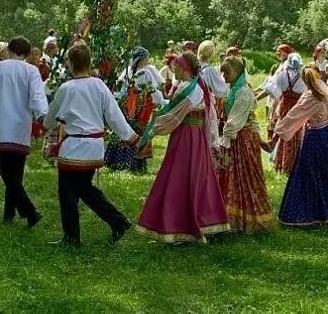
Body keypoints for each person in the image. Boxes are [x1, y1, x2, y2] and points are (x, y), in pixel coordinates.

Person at [45, 42, 139, 247]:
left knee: (67, 192)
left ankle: (73, 238)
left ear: (69, 63)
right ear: (89, 62)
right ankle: (118, 222)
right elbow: (114, 115)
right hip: (95, 146)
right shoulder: (99, 85)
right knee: (84, 189)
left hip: (73, 147)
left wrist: (46, 122)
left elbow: (49, 120)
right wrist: (131, 137)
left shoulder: (66, 88)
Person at [135, 52, 229, 244]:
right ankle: (198, 223)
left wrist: (152, 131)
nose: (173, 69)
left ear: (185, 68)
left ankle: (177, 226)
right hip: (197, 139)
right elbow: (209, 117)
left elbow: (172, 117)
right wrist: (212, 142)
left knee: (177, 179)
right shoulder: (199, 88)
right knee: (196, 178)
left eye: (176, 66)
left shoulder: (187, 89)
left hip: (185, 139)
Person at [0, 37, 48, 227]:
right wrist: (43, 117)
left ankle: (29, 212)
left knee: (7, 174)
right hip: (20, 127)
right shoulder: (31, 70)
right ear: (26, 54)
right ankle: (9, 214)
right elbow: (37, 98)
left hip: (1, 126)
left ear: (9, 49)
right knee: (15, 174)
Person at [274, 65, 328, 227]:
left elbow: (293, 116)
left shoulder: (310, 97)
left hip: (313, 139)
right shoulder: (326, 95)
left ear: (305, 81)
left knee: (308, 175)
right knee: (325, 174)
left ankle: (314, 214)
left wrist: (278, 130)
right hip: (325, 137)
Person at [216, 56, 272, 233]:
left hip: (242, 140)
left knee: (245, 177)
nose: (224, 76)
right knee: (231, 176)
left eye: (227, 72)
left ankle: (248, 220)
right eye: (222, 72)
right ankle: (229, 218)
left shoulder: (244, 93)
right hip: (236, 137)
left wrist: (224, 142)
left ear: (238, 72)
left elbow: (235, 121)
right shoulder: (233, 89)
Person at [105, 46, 165, 172]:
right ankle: (134, 165)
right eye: (146, 58)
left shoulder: (127, 72)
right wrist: (164, 103)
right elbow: (153, 90)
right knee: (137, 132)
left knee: (124, 130)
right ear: (142, 59)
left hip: (126, 107)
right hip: (139, 108)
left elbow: (120, 91)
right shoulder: (144, 72)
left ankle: (118, 162)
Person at [259, 51, 306, 175]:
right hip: (298, 109)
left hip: (285, 107)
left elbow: (269, 89)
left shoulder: (282, 75)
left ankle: (281, 163)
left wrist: (256, 98)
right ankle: (294, 165)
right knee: (296, 133)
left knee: (283, 133)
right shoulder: (303, 77)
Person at [198, 40, 228, 148]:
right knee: (209, 132)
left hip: (191, 105)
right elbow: (221, 91)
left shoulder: (194, 68)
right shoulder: (210, 70)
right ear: (211, 54)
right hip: (205, 104)